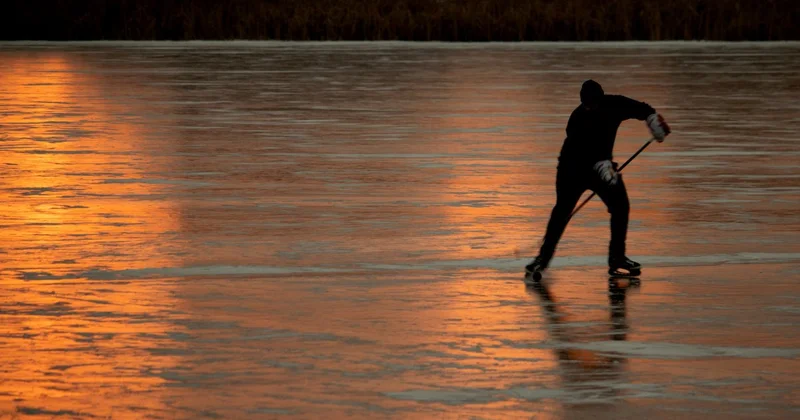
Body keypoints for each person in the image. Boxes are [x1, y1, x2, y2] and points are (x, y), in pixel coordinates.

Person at [526, 80, 670, 277]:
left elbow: (642, 109)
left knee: (620, 206)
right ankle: (542, 259)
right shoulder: (577, 118)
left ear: (601, 99)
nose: (589, 107)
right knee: (562, 211)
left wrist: (653, 119)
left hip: (603, 166)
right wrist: (602, 164)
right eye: (586, 104)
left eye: (593, 103)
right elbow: (578, 149)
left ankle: (617, 258)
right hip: (572, 169)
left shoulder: (614, 104)